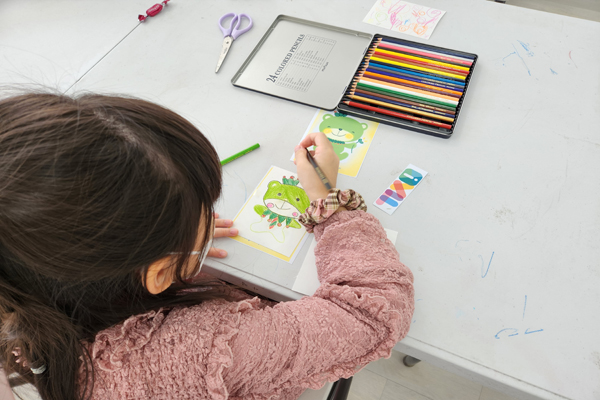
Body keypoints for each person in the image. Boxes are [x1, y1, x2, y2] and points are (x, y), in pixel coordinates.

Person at [0, 93, 414, 400]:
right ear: (159, 273)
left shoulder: (16, 291)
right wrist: (329, 201)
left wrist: (169, 239)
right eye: (203, 209)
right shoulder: (203, 350)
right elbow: (372, 312)